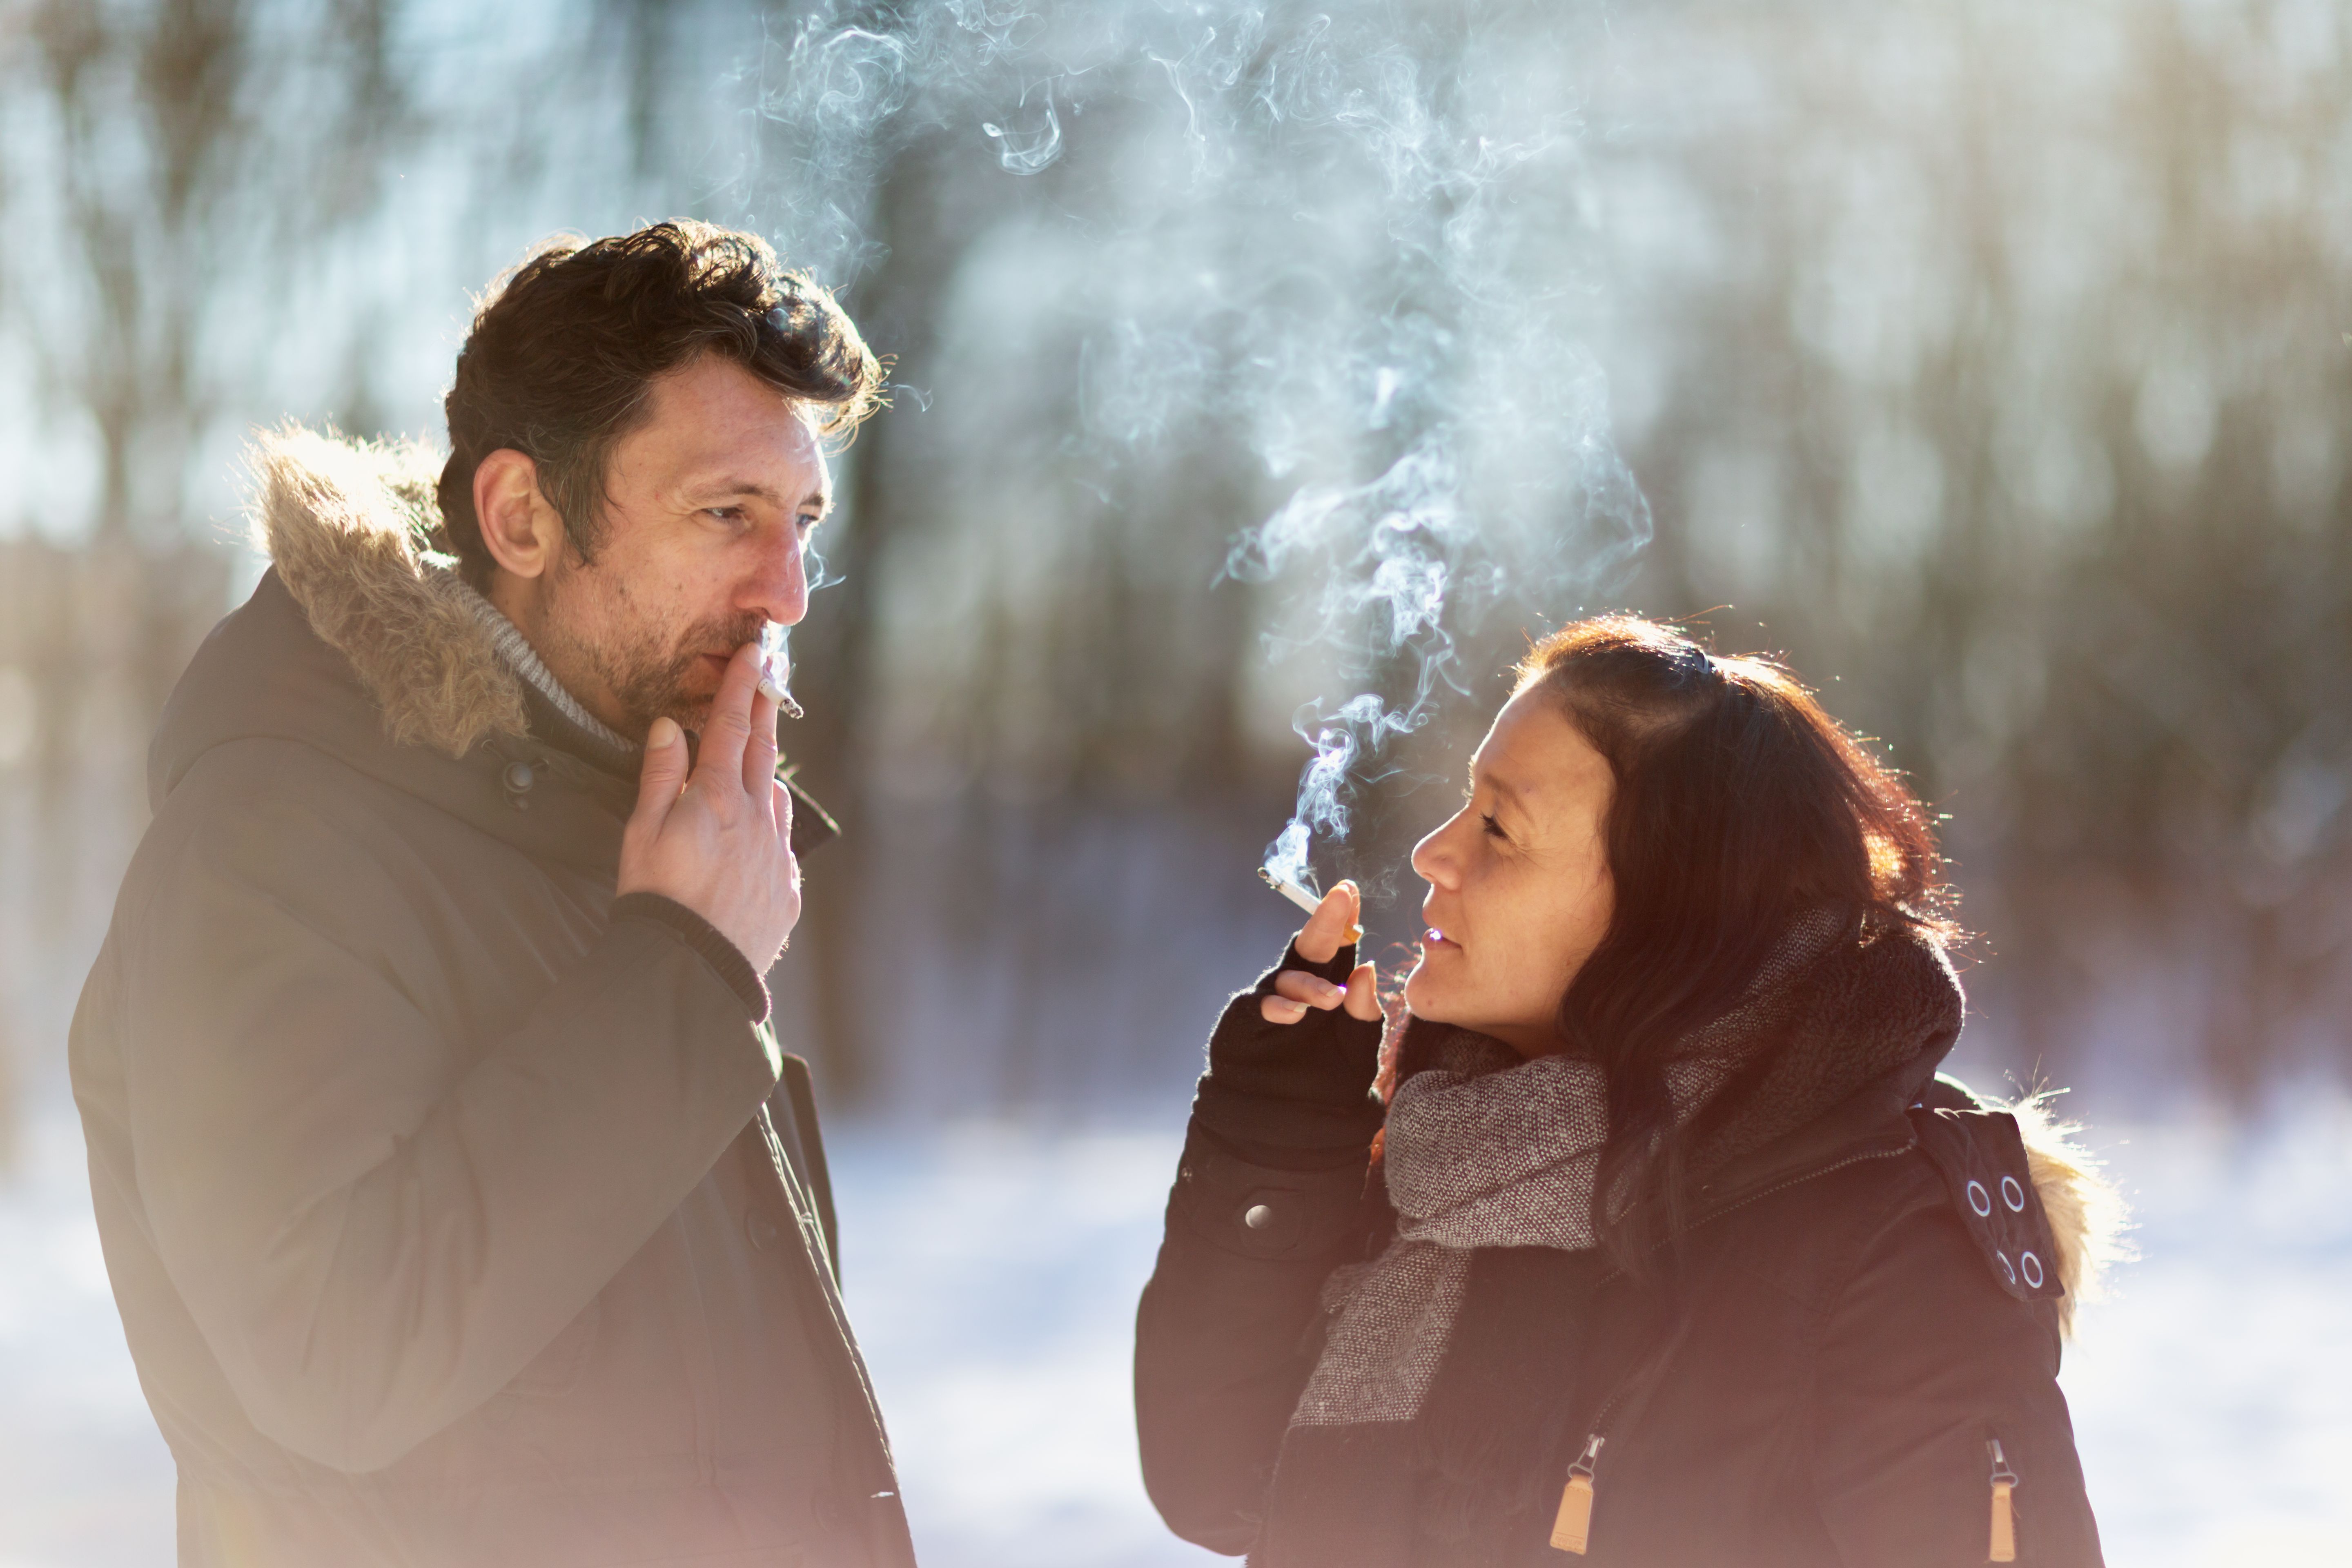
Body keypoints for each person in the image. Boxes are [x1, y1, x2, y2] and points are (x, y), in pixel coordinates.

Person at [69, 221, 917, 1567]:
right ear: (523, 516)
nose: (789, 594)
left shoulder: (625, 842)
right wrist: (685, 969)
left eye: (802, 520)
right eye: (725, 516)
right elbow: (336, 1358)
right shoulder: (274, 839)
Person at [1136, 615, 2118, 1566]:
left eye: (1499, 827)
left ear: (1671, 906)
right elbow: (1215, 1482)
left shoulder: (1891, 1244)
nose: (1433, 853)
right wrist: (1284, 1130)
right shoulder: (1460, 1159)